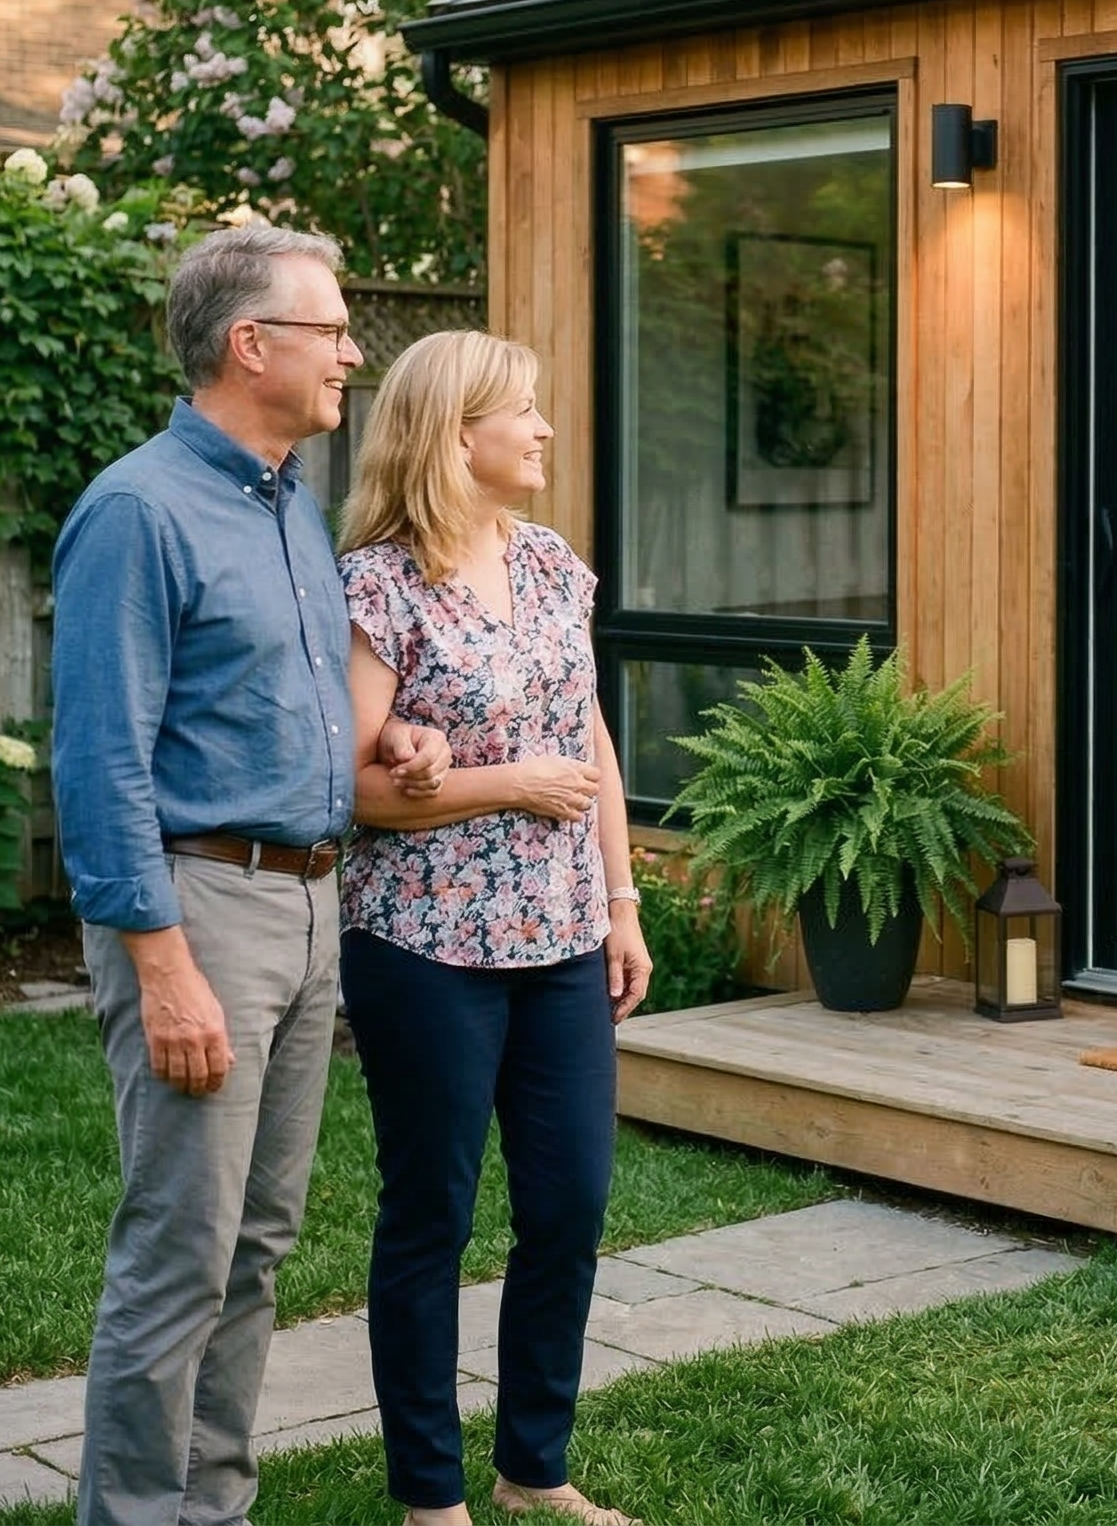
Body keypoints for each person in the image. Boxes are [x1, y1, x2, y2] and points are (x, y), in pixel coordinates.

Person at [52, 223, 450, 1526]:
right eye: (330, 329)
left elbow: (278, 703)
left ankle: (209, 1505)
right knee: (182, 1245)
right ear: (250, 344)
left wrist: (388, 739)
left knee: (257, 1243)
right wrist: (161, 964)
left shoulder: (289, 506)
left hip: (310, 902)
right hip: (203, 908)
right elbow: (100, 762)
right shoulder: (139, 512)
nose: (352, 352)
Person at [335, 330, 652, 1526]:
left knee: (567, 1205)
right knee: (433, 1213)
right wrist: (504, 783)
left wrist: (620, 902)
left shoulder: (553, 562)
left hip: (562, 938)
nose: (543, 427)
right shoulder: (377, 583)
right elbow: (349, 789)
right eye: (522, 409)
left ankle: (531, 1467)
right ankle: (431, 1494)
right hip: (424, 946)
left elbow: (590, 739)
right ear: (454, 433)